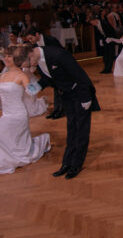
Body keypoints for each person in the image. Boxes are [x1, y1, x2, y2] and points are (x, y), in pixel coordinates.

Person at [28, 45, 100, 179]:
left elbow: (80, 75)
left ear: (32, 53)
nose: (29, 66)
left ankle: (76, 164)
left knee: (81, 130)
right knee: (71, 128)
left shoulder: (58, 54)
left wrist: (86, 98)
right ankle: (67, 163)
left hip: (80, 94)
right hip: (66, 96)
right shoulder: (39, 60)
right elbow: (49, 78)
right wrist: (37, 86)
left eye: (28, 62)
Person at [0, 46, 50, 174]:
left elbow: (33, 92)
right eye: (5, 56)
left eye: (9, 56)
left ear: (17, 59)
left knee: (11, 137)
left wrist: (35, 84)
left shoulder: (22, 75)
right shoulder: (3, 75)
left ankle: (40, 142)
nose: (6, 58)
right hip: (6, 114)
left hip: (18, 114)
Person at [24, 28, 64, 119]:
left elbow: (60, 53)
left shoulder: (51, 40)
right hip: (47, 71)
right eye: (29, 39)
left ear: (37, 34)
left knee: (60, 90)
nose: (30, 41)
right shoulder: (34, 45)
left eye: (31, 38)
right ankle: (56, 110)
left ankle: (61, 111)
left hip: (57, 69)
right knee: (56, 90)